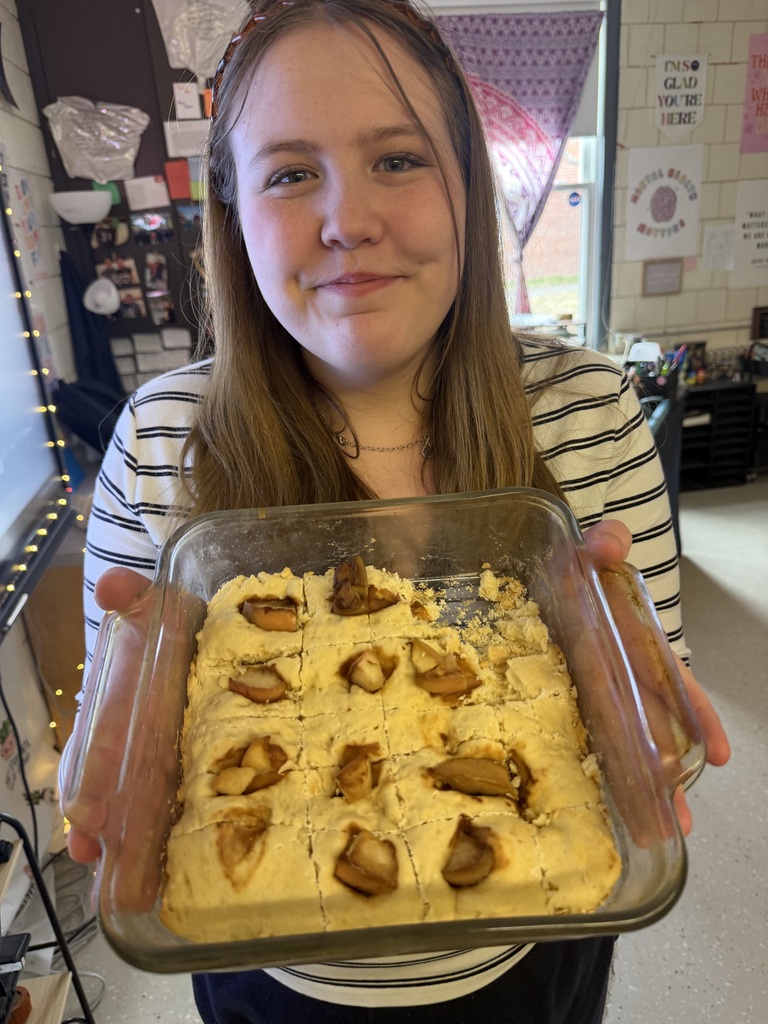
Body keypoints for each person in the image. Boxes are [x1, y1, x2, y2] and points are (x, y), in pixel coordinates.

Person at [63, 1, 730, 1022]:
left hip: (533, 953)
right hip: (269, 970)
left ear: (470, 184)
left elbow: (638, 704)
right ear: (233, 219)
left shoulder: (587, 411)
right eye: (290, 172)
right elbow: (129, 745)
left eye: (399, 159)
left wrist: (646, 703)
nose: (348, 218)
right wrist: (116, 761)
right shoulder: (161, 442)